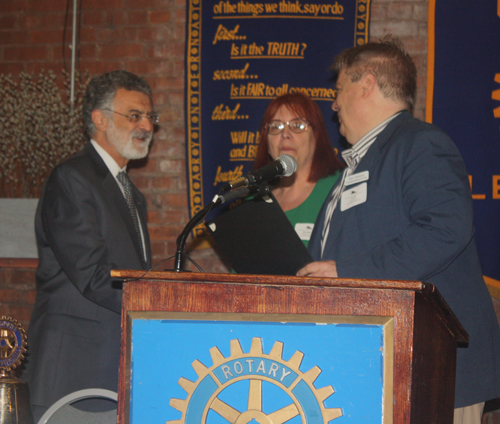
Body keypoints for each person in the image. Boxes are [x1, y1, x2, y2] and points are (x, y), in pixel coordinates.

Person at [297, 37, 500, 423]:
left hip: (433, 367)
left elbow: (444, 230)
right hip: (377, 361)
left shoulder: (420, 144)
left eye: (338, 90)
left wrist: (346, 271)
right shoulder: (356, 166)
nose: (334, 104)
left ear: (367, 84)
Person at [22, 70, 155, 421]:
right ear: (99, 119)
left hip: (113, 367)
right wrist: (156, 299)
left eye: (150, 117)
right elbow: (94, 276)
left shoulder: (131, 194)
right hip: (74, 371)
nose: (146, 126)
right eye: (135, 115)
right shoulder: (73, 178)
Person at [253, 92, 344, 247]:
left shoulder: (340, 188)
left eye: (297, 126)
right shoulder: (254, 202)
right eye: (275, 126)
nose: (285, 134)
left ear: (317, 136)